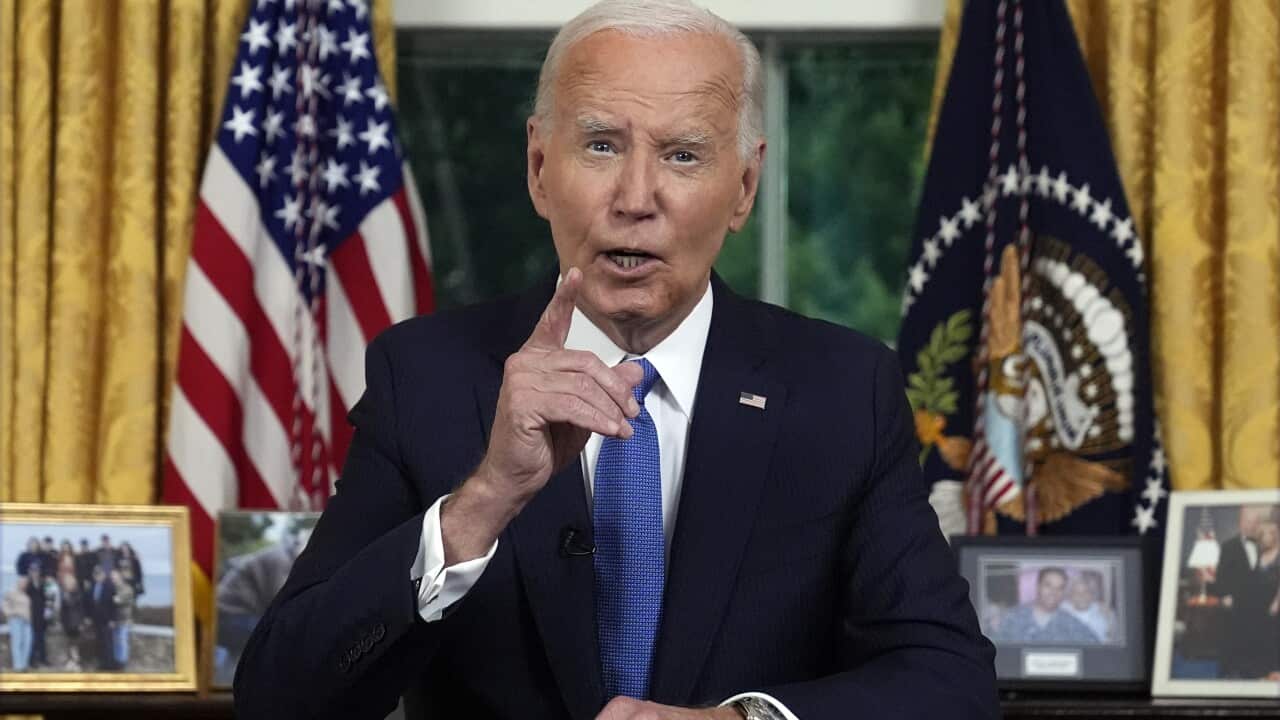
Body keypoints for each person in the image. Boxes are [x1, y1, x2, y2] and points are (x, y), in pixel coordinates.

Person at [233, 2, 998, 718]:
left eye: (683, 155)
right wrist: (486, 499)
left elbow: (950, 682)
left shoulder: (844, 391)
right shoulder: (426, 378)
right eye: (601, 145)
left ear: (744, 187)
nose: (635, 197)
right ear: (539, 166)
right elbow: (278, 698)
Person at [215, 524, 314, 685]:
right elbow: (282, 603)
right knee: (280, 638)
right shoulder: (281, 560)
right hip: (227, 616)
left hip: (239, 615)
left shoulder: (286, 555)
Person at [1208, 505, 1270, 677]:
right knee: (1233, 648)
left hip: (1260, 607)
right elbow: (1221, 579)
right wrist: (1225, 597)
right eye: (1248, 521)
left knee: (1257, 649)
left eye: (1255, 522)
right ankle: (1229, 676)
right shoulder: (1228, 547)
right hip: (1237, 607)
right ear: (1240, 522)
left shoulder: (1264, 546)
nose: (1251, 525)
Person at [993, 567, 1099, 645]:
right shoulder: (1012, 617)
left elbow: (1096, 648)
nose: (1053, 592)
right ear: (1038, 586)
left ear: (1064, 593)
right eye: (1048, 585)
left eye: (1060, 588)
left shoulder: (1072, 624)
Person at [1063, 570, 1114, 643]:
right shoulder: (1064, 608)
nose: (1081, 595)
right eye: (1076, 592)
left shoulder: (1102, 615)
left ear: (1092, 595)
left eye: (1086, 591)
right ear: (1070, 597)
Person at [87, 565, 117, 671]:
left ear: (103, 574)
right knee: (100, 642)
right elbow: (89, 603)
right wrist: (89, 617)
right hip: (96, 620)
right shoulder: (92, 587)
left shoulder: (110, 587)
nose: (97, 576)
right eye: (96, 574)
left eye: (99, 574)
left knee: (108, 643)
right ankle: (102, 664)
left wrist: (113, 619)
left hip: (107, 620)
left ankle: (110, 665)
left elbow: (114, 605)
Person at [2, 577, 33, 671]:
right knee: (17, 642)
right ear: (18, 583)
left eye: (25, 583)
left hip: (26, 621)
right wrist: (10, 613)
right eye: (21, 582)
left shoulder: (27, 595)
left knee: (27, 642)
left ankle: (24, 664)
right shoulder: (12, 593)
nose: (23, 584)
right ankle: (18, 666)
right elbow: (4, 604)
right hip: (16, 620)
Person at [58, 574, 87, 670]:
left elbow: (80, 608)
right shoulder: (65, 594)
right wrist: (62, 621)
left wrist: (81, 623)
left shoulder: (77, 593)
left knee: (76, 644)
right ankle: (71, 661)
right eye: (66, 583)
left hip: (76, 623)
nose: (67, 585)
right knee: (69, 643)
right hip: (67, 623)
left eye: (69, 583)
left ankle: (77, 662)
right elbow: (63, 610)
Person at [24, 563, 51, 668]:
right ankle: (32, 660)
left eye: (37, 571)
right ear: (30, 572)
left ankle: (43, 659)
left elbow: (48, 597)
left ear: (39, 572)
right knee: (33, 638)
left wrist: (47, 611)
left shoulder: (43, 583)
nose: (35, 573)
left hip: (42, 614)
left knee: (42, 638)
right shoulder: (27, 584)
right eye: (33, 571)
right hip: (32, 614)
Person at [110, 568, 135, 670]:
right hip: (114, 619)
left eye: (114, 577)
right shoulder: (112, 588)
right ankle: (117, 662)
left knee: (122, 641)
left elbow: (117, 600)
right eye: (112, 577)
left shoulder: (127, 589)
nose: (113, 579)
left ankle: (122, 663)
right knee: (115, 641)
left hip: (124, 619)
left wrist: (110, 598)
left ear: (119, 577)